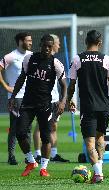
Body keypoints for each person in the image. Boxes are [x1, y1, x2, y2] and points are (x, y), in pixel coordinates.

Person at [8, 34, 67, 177]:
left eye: (49, 46)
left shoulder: (56, 63)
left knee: (46, 138)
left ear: (52, 47)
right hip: (27, 102)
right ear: (40, 45)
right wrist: (13, 96)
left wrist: (63, 101)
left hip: (45, 105)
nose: (47, 48)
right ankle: (31, 161)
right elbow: (22, 77)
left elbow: (64, 84)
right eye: (44, 45)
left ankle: (44, 168)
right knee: (20, 132)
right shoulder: (29, 58)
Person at [68, 30, 109, 184]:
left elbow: (72, 85)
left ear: (85, 42)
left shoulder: (77, 59)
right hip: (104, 105)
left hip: (88, 107)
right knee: (100, 137)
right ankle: (100, 169)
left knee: (89, 142)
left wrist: (70, 100)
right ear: (100, 42)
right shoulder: (106, 59)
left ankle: (98, 174)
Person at [33, 34, 69, 163]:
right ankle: (37, 154)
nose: (59, 45)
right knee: (40, 126)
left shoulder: (55, 61)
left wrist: (62, 100)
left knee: (53, 127)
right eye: (58, 43)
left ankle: (54, 154)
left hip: (54, 98)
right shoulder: (38, 59)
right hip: (43, 99)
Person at [0, 32, 32, 165]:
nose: (30, 42)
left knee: (28, 127)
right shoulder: (11, 56)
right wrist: (6, 87)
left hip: (30, 97)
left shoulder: (31, 56)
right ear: (20, 41)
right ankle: (11, 156)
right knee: (15, 127)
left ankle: (28, 156)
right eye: (28, 40)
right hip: (16, 97)